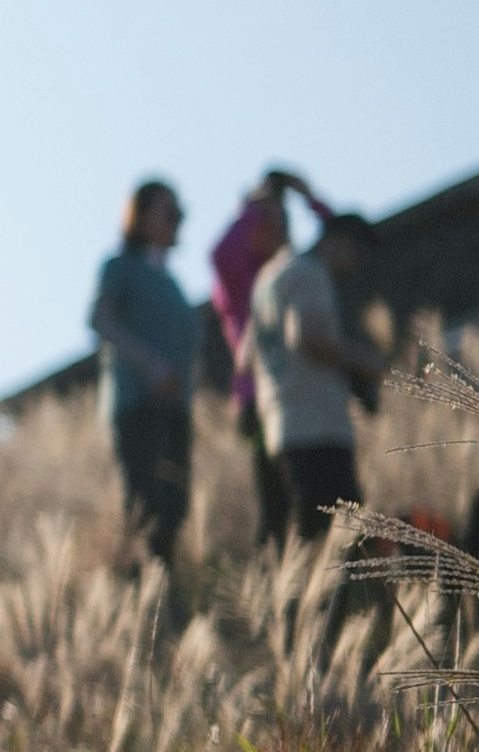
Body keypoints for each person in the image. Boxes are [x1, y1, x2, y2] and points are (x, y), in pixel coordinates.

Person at [246, 203, 378, 544]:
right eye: (357, 256)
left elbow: (245, 357)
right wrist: (362, 360)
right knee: (338, 540)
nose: (355, 268)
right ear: (340, 242)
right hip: (318, 427)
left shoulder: (269, 276)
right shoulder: (310, 272)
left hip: (279, 425)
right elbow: (309, 337)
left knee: (295, 539)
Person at [90, 181, 203, 568]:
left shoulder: (172, 283)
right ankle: (140, 599)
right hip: (138, 406)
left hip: (175, 411)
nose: (177, 221)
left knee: (174, 510)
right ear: (139, 217)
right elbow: (101, 319)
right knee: (145, 509)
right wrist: (151, 364)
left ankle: (161, 599)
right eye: (168, 213)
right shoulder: (121, 267)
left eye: (180, 214)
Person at [209, 171, 318, 548]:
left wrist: (308, 196)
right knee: (275, 501)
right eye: (268, 221)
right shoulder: (240, 280)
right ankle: (277, 580)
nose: (277, 228)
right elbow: (221, 250)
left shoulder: (295, 272)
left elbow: (345, 241)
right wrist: (256, 207)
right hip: (256, 399)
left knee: (308, 497)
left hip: (296, 394)